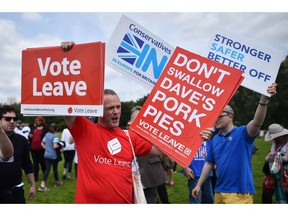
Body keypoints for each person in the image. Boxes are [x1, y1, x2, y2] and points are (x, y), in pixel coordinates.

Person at [61, 42, 213, 204]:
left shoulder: (129, 137)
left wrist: (198, 135)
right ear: (99, 111)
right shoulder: (84, 130)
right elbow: (65, 99)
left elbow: (167, 148)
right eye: (110, 108)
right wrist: (68, 57)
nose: (116, 111)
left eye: (118, 107)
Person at [192, 83, 278, 204]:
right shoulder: (215, 139)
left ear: (230, 117)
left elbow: (257, 122)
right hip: (219, 192)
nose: (216, 119)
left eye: (220, 116)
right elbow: (209, 163)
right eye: (215, 116)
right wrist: (199, 185)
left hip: (239, 194)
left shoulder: (243, 133)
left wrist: (263, 101)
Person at [127, 106, 167, 204]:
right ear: (130, 122)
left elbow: (166, 151)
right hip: (129, 182)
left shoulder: (153, 135)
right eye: (138, 118)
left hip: (150, 177)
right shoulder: (124, 136)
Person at [0, 105, 36, 203]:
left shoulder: (22, 140)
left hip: (16, 191)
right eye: (7, 119)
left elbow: (27, 165)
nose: (12, 121)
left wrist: (33, 185)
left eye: (14, 119)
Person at [262, 123, 288, 203]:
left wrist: (275, 158)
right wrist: (273, 158)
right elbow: (268, 156)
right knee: (266, 193)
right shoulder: (275, 145)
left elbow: (286, 158)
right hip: (273, 172)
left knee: (285, 194)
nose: (274, 139)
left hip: (285, 174)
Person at [38, 123, 64, 192]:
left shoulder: (47, 134)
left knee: (47, 170)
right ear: (56, 129)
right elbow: (55, 146)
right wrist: (61, 144)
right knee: (55, 169)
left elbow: (41, 143)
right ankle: (57, 183)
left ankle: (42, 185)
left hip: (46, 155)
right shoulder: (55, 135)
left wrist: (46, 149)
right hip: (53, 156)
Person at [29, 116, 49, 182]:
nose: (37, 122)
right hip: (33, 148)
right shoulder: (33, 128)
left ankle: (44, 176)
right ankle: (35, 177)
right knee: (35, 163)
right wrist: (30, 136)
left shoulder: (45, 128)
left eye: (38, 120)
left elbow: (48, 137)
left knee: (43, 163)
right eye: (36, 120)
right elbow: (30, 135)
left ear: (41, 121)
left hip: (42, 148)